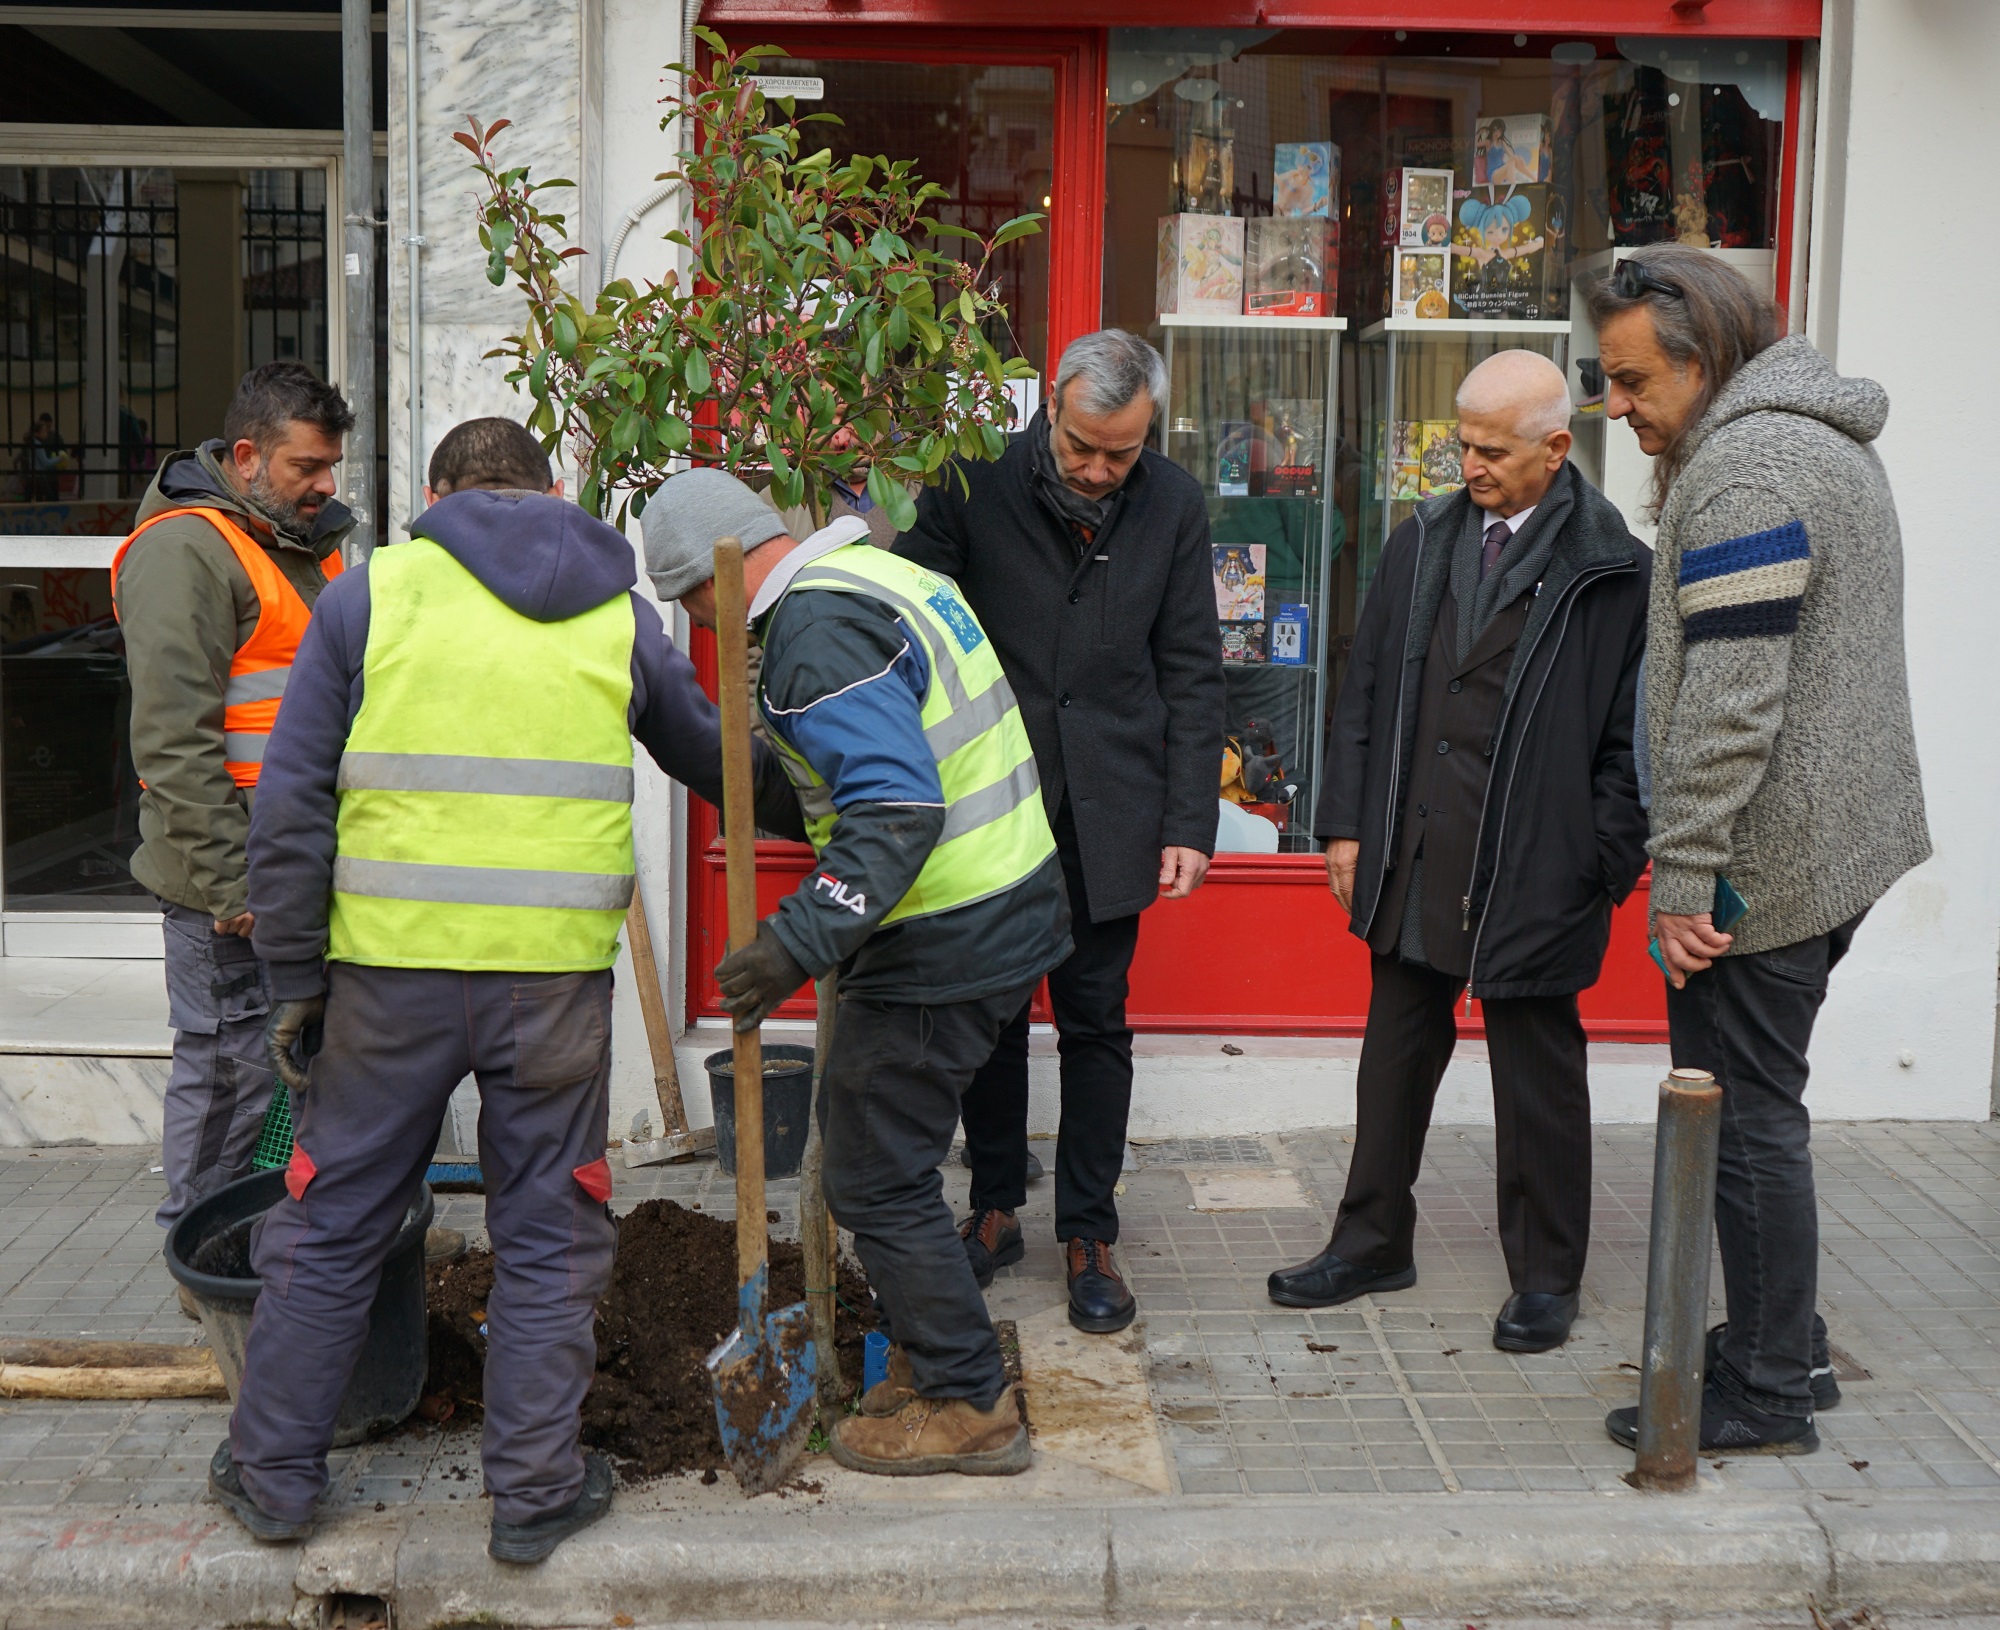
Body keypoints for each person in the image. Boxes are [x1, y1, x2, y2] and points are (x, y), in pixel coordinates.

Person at [213, 418, 802, 1559]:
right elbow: (711, 755)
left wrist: (294, 975)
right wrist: (834, 815)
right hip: (552, 993)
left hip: (389, 982)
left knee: (332, 1223)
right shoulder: (617, 610)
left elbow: (290, 811)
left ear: (434, 493)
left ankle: (277, 1478)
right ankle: (533, 1491)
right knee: (546, 1233)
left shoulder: (369, 597)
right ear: (553, 488)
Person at [642, 466, 1072, 1477]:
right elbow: (832, 783)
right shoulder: (886, 577)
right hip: (1002, 902)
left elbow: (891, 810)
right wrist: (689, 742)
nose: (706, 630)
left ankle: (969, 1402)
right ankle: (936, 1361)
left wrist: (793, 941)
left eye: (693, 611)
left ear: (708, 582)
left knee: (873, 1171)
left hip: (943, 932)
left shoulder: (810, 636)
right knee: (884, 1155)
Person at [1589, 247, 1929, 1455]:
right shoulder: (1809, 440)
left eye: (1631, 383)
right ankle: (1774, 1339)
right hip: (1823, 840)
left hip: (1758, 868)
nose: (1614, 408)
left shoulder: (1748, 469)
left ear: (1705, 358)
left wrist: (1680, 878)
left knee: (1738, 1118)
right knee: (1754, 1109)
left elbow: (1731, 704)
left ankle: (1771, 1384)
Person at [1268, 350, 1652, 1356]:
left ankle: (1543, 1277)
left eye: (1489, 449)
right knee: (1391, 1055)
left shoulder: (1612, 572)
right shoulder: (1423, 538)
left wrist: (1597, 860)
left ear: (1555, 448)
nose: (1467, 464)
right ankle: (1367, 1242)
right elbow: (1364, 694)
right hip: (1417, 837)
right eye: (1459, 442)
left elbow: (1631, 744)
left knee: (1535, 1074)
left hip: (1538, 859)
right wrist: (1346, 823)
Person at [894, 329, 1224, 1335]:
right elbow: (907, 619)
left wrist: (1186, 819)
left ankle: (1089, 1230)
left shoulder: (1169, 504)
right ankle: (993, 1207)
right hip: (990, 798)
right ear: (1050, 404)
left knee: (1095, 1022)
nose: (1095, 470)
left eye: (1118, 454)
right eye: (1081, 445)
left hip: (1111, 807)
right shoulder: (967, 482)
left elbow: (1191, 665)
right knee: (987, 1020)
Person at [111, 363, 354, 1236]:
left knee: (286, 1072)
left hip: (292, 868)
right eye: (307, 468)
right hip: (232, 889)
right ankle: (202, 1255)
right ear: (247, 457)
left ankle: (279, 1245)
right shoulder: (186, 551)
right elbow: (174, 744)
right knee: (228, 1073)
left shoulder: (295, 540)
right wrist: (234, 887)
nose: (326, 485)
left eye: (332, 466)